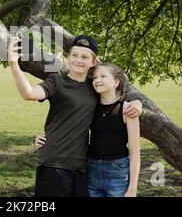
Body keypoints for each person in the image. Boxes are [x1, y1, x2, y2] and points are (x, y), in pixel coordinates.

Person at [8, 34, 142, 197]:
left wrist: (137, 104)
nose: (79, 60)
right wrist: (14, 64)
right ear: (68, 57)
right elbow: (29, 93)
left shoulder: (94, 87)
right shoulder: (56, 81)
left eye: (84, 57)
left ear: (93, 62)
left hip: (82, 167)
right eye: (74, 55)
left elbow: (114, 96)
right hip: (54, 162)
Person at [35, 62, 141, 197]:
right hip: (91, 169)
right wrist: (44, 136)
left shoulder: (127, 110)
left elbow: (135, 152)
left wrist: (133, 187)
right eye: (95, 77)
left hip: (117, 172)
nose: (97, 80)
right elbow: (68, 124)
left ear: (116, 82)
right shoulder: (91, 105)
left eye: (103, 76)